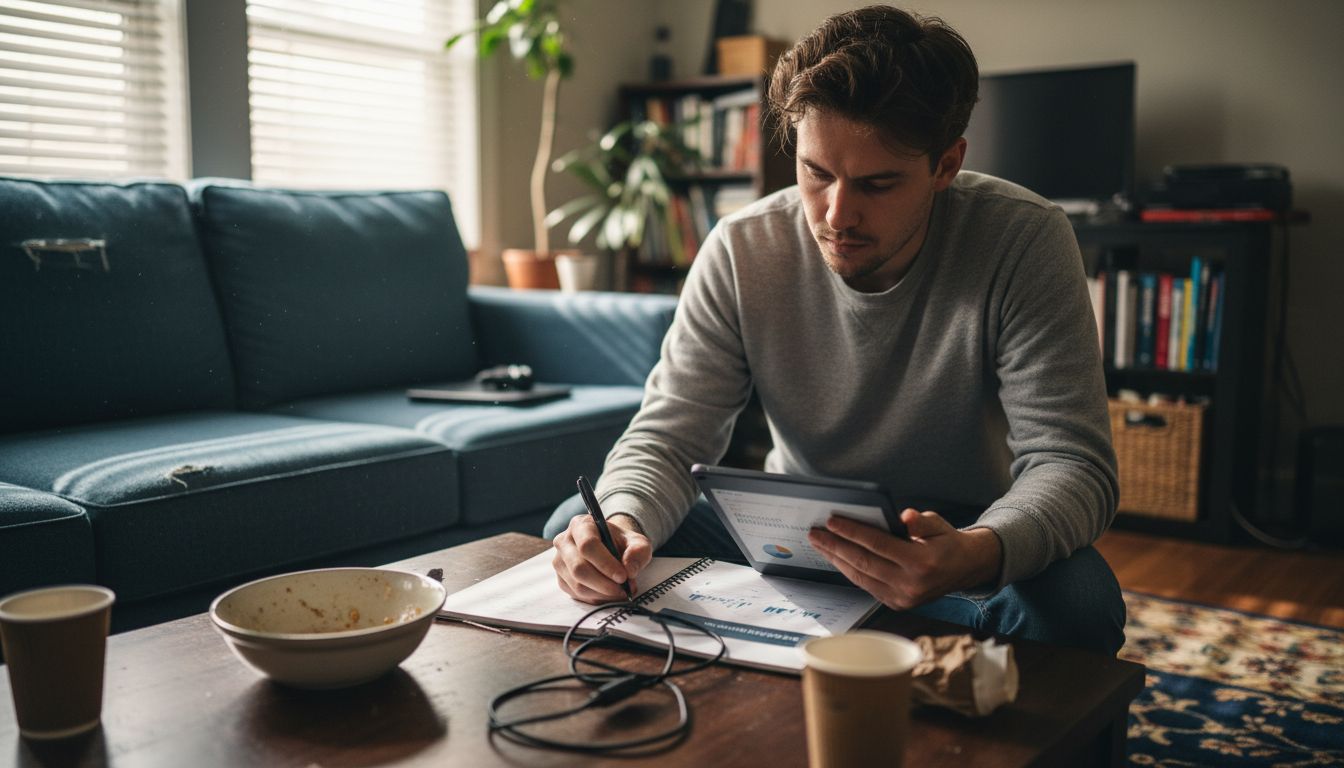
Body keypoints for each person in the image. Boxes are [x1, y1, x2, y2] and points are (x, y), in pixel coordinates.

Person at [544, 4, 1125, 654]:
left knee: (1079, 603)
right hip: (790, 533)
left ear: (946, 164)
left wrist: (977, 553)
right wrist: (621, 520)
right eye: (816, 173)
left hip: (957, 539)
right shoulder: (743, 248)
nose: (836, 214)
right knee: (583, 531)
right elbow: (672, 433)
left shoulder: (1024, 239)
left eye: (878, 184)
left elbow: (1072, 462)